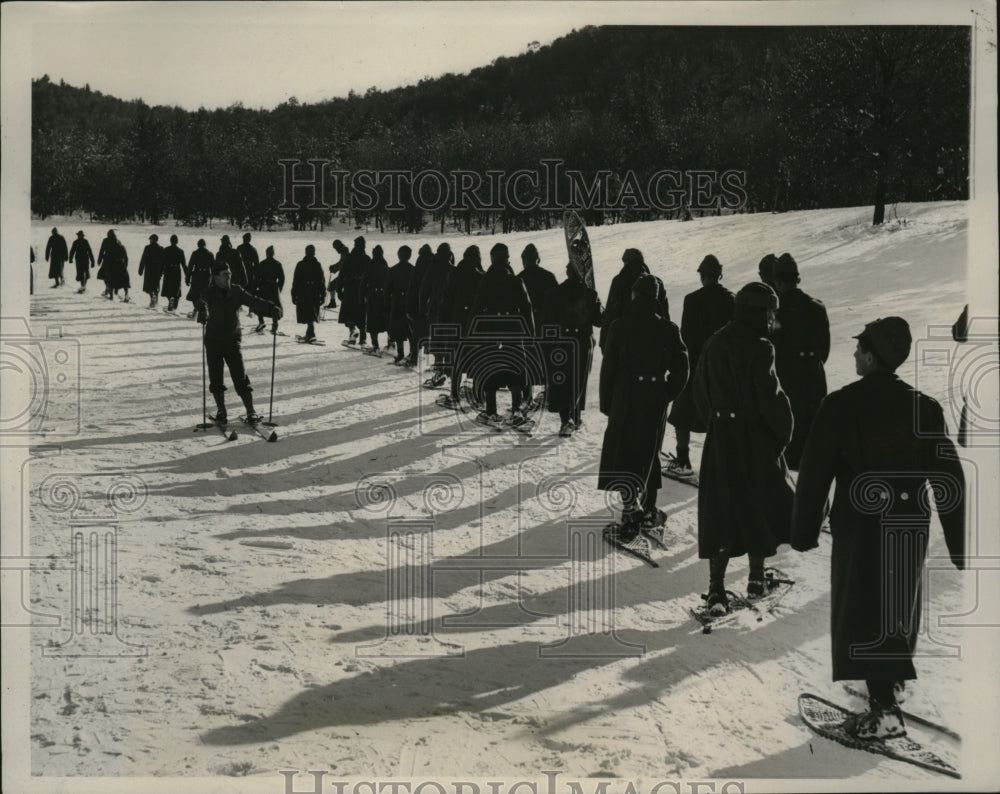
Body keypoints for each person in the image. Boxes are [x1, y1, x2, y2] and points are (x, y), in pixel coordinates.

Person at [791, 316, 965, 740]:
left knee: (863, 606)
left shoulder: (841, 404)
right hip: (910, 520)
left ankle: (884, 709)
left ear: (871, 357)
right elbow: (949, 481)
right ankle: (892, 682)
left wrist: (804, 529)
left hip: (862, 520)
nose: (852, 353)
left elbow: (815, 473)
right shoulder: (925, 407)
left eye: (858, 349)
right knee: (899, 601)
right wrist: (960, 544)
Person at [693, 282, 794, 614]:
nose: (771, 320)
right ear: (757, 313)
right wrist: (778, 439)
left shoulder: (714, 342)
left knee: (721, 511)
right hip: (752, 440)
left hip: (721, 438)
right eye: (769, 313)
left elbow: (701, 392)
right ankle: (754, 578)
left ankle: (716, 592)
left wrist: (718, 425)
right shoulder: (761, 348)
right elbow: (773, 401)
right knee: (758, 507)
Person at [598, 274, 687, 537]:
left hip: (625, 397)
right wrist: (667, 392)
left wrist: (607, 404)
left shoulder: (619, 326)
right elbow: (683, 368)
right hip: (654, 396)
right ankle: (648, 511)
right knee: (650, 453)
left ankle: (629, 513)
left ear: (634, 295)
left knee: (624, 451)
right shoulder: (668, 329)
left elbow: (609, 370)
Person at [665, 255, 735, 476]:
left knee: (683, 413)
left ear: (702, 276)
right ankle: (719, 463)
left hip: (696, 363)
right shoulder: (732, 299)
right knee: (721, 414)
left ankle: (683, 459)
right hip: (723, 366)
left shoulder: (692, 299)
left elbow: (686, 336)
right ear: (720, 275)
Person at [196, 260, 282, 424]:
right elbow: (201, 302)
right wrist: (202, 311)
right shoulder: (208, 293)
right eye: (225, 275)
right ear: (216, 278)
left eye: (229, 274)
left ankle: (251, 411)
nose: (229, 277)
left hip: (232, 340)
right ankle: (221, 411)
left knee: (240, 376)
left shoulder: (236, 291)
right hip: (213, 341)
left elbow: (253, 300)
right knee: (216, 377)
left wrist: (271, 307)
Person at [771, 252, 830, 470]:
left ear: (777, 281)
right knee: (811, 437)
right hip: (813, 376)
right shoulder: (817, 306)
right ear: (797, 279)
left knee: (786, 438)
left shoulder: (775, 312)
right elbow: (825, 348)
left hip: (786, 377)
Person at [469, 243, 534, 426]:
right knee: (515, 368)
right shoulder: (515, 281)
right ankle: (516, 410)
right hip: (513, 330)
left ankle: (491, 412)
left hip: (490, 331)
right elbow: (527, 310)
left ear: (491, 259)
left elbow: (477, 309)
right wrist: (530, 335)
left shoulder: (485, 281)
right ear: (507, 259)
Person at [545, 260, 603, 436]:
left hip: (561, 341)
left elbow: (547, 320)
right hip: (582, 341)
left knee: (562, 379)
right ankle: (574, 417)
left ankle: (566, 419)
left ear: (567, 271)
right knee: (579, 379)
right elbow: (599, 320)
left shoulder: (555, 292)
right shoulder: (589, 293)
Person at [437, 245, 485, 407]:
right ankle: (479, 397)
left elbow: (445, 300)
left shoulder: (454, 274)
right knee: (478, 359)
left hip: (455, 322)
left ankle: (454, 395)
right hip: (476, 325)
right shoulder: (482, 276)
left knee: (456, 359)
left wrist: (441, 321)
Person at [517, 243, 559, 408]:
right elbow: (557, 302)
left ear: (523, 260)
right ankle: (549, 393)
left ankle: (527, 396)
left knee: (527, 361)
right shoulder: (549, 276)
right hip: (547, 326)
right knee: (548, 360)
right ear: (538, 259)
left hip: (527, 326)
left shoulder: (519, 277)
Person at [420, 243, 456, 387]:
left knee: (436, 339)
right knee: (448, 340)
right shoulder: (454, 270)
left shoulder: (432, 269)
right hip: (451, 310)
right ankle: (447, 370)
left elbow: (423, 291)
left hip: (435, 308)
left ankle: (439, 372)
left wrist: (422, 309)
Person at [600, 248, 651, 351]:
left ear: (626, 261)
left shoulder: (619, 281)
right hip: (650, 340)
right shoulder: (656, 282)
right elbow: (664, 313)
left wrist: (604, 341)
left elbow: (611, 312)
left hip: (623, 341)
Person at [405, 244, 434, 367]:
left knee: (416, 332)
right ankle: (432, 356)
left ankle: (414, 357)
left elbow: (412, 288)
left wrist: (409, 307)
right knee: (430, 330)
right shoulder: (434, 265)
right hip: (432, 304)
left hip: (417, 304)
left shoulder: (417, 266)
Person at [291, 244, 326, 343]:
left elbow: (296, 281)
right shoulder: (316, 264)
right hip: (313, 291)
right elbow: (321, 281)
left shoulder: (301, 264)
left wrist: (294, 294)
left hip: (304, 292)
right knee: (310, 312)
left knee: (308, 313)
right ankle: (309, 334)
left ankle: (311, 334)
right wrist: (322, 294)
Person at [385, 245, 414, 364]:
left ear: (399, 255)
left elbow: (387, 289)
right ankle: (412, 352)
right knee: (410, 329)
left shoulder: (392, 270)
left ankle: (400, 353)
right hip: (410, 302)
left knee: (398, 329)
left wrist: (387, 303)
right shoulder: (413, 269)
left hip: (396, 302)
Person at [360, 244, 390, 355]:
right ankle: (391, 343)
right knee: (386, 321)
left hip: (372, 297)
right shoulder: (385, 264)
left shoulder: (370, 265)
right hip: (384, 297)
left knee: (373, 323)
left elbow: (363, 282)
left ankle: (375, 346)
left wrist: (361, 297)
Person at [339, 236, 369, 346]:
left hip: (350, 287)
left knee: (349, 312)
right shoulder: (367, 259)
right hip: (363, 289)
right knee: (362, 313)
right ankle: (363, 339)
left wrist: (339, 289)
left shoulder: (349, 258)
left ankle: (352, 331)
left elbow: (342, 274)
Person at [254, 245, 285, 334]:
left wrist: (256, 287)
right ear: (273, 253)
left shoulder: (262, 263)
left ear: (266, 254)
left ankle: (261, 322)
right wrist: (278, 288)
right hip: (273, 288)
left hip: (263, 287)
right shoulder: (278, 264)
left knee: (260, 304)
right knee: (275, 306)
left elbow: (257, 277)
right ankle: (275, 325)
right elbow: (282, 278)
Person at [98, 229, 130, 302]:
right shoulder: (120, 244)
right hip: (119, 264)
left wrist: (100, 259)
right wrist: (125, 266)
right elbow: (126, 257)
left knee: (108, 277)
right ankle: (123, 294)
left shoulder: (107, 241)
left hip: (109, 262)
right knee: (123, 279)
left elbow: (102, 250)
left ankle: (110, 292)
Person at [185, 239, 215, 317]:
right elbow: (214, 268)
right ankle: (202, 311)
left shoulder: (195, 253)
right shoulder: (210, 254)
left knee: (195, 294)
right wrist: (214, 279)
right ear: (205, 245)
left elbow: (190, 266)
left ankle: (197, 310)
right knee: (204, 294)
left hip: (197, 275)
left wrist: (187, 277)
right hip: (207, 276)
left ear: (198, 245)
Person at [160, 234, 188, 312]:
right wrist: (187, 275)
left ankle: (170, 299)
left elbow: (162, 262)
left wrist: (160, 272)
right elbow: (183, 264)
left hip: (168, 270)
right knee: (176, 288)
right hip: (176, 271)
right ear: (177, 241)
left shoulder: (166, 250)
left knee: (168, 287)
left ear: (170, 241)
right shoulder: (180, 251)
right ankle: (175, 304)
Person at [138, 233, 165, 307]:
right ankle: (156, 302)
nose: (149, 241)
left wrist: (140, 269)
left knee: (148, 286)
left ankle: (152, 298)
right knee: (156, 285)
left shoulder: (147, 248)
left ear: (153, 240)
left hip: (149, 269)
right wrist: (162, 271)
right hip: (157, 270)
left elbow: (143, 259)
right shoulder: (161, 248)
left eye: (150, 239)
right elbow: (163, 261)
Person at [326, 239, 348, 309]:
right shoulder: (344, 251)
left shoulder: (344, 251)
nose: (336, 250)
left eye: (336, 248)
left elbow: (342, 263)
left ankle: (333, 302)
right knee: (332, 285)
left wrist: (334, 268)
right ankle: (333, 302)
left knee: (332, 285)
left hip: (345, 276)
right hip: (344, 275)